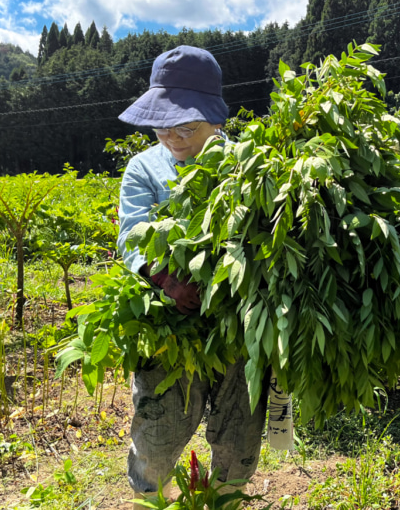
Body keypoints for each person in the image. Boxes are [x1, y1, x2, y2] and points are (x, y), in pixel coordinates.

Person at [116, 46, 267, 506]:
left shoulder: (248, 163)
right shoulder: (144, 168)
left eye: (185, 124)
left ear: (215, 119)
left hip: (239, 328)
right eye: (162, 123)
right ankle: (152, 500)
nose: (172, 134)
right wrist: (166, 281)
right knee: (158, 435)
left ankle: (225, 499)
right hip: (171, 328)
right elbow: (131, 237)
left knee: (239, 436)